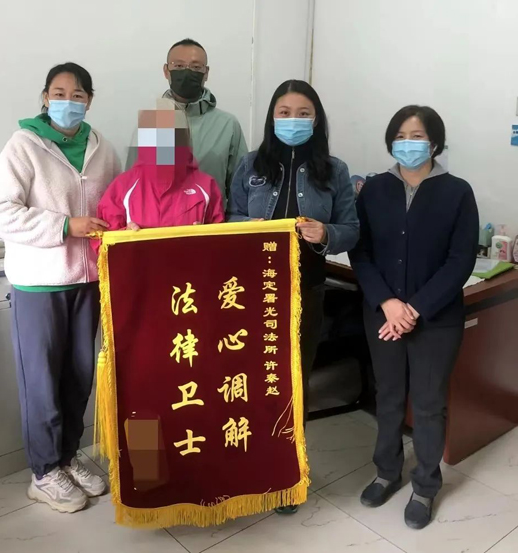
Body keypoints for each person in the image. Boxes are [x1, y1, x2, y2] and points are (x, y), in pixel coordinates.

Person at [0, 62, 121, 514]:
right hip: (39, 282)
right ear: (45, 97)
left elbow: (115, 205)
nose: (68, 101)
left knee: (78, 377)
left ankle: (66, 457)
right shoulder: (24, 145)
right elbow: (0, 213)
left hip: (89, 281)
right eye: (59, 93)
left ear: (90, 100)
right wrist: (65, 225)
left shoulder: (102, 148)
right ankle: (43, 472)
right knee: (42, 381)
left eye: (78, 94)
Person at [228, 79, 359, 513]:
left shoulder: (334, 170)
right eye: (284, 112)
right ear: (272, 117)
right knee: (253, 380)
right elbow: (229, 216)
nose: (293, 120)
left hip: (307, 290)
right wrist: (247, 227)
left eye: (303, 113)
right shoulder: (251, 164)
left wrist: (326, 233)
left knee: (293, 381)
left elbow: (351, 230)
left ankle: (286, 471)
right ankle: (249, 464)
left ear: (316, 119)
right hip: (254, 292)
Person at [349, 106, 479, 530]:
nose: (408, 143)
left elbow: (460, 261)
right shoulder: (374, 190)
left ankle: (424, 486)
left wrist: (415, 308)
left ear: (434, 142)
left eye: (417, 135)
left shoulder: (457, 192)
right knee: (387, 396)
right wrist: (388, 303)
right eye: (401, 136)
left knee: (427, 403)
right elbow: (360, 252)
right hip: (382, 314)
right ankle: (387, 472)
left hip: (437, 320)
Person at [126, 38, 247, 203]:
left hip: (213, 218)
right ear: (166, 71)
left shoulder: (228, 125)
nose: (187, 72)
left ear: (206, 73)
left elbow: (241, 189)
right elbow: (132, 187)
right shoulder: (151, 122)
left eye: (196, 67)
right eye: (179, 66)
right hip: (161, 218)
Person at [98, 100, 224, 232]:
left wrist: (205, 237)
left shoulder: (206, 186)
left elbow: (222, 238)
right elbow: (103, 238)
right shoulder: (122, 187)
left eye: (173, 132)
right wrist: (125, 235)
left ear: (184, 137)